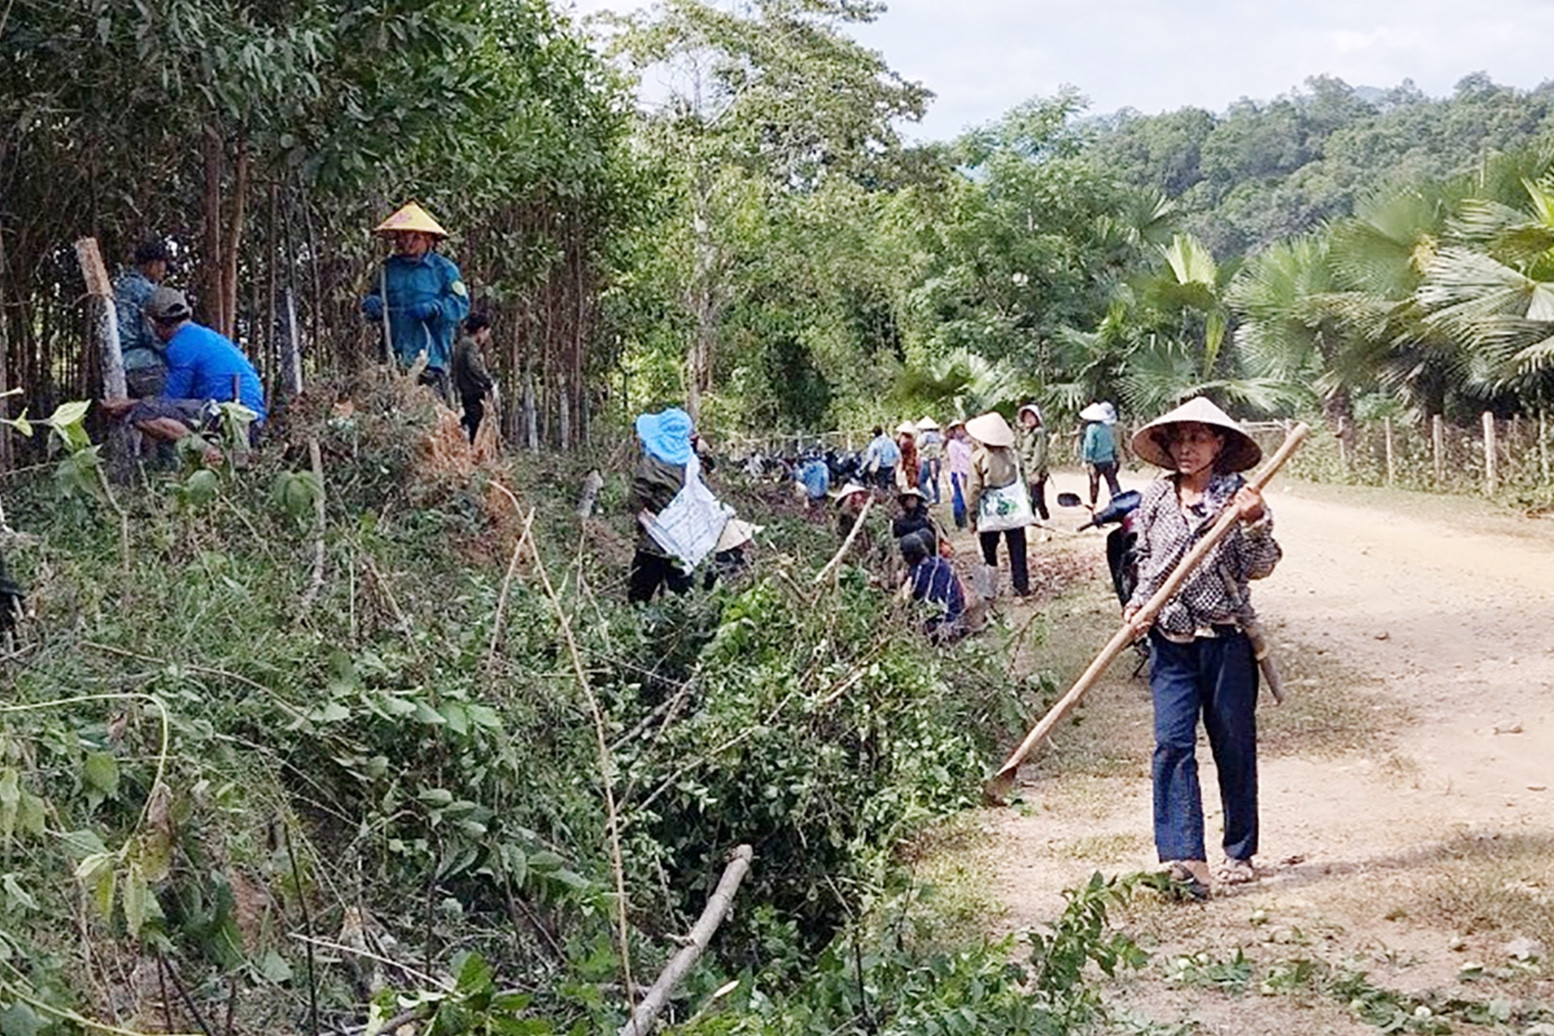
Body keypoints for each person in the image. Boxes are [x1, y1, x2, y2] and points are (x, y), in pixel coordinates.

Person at [1121, 397, 1281, 900]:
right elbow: (1147, 564)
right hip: (1170, 641)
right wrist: (1138, 605)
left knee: (1233, 744)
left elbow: (1262, 565)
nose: (1186, 447)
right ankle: (1183, 858)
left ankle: (1240, 852)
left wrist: (1254, 522)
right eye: (1178, 438)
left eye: (1198, 437)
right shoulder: (1154, 500)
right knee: (1171, 744)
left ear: (1220, 444)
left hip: (1225, 640)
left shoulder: (1241, 499)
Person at [101, 287, 266, 454]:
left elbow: (168, 402)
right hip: (250, 418)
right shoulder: (204, 336)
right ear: (189, 313)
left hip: (231, 416)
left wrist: (129, 404)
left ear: (151, 323)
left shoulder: (179, 346)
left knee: (144, 413)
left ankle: (211, 453)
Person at [361, 202, 471, 404]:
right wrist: (372, 304)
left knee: (431, 419)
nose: (406, 242)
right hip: (393, 359)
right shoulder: (388, 270)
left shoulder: (444, 270)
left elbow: (461, 305)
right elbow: (376, 303)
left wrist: (435, 308)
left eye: (414, 237)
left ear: (429, 240)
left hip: (430, 359)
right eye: (402, 236)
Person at [627, 407, 697, 603]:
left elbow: (636, 498)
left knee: (639, 594)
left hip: (654, 541)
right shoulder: (692, 465)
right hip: (684, 542)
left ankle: (639, 628)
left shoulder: (651, 464)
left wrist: (643, 513)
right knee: (683, 597)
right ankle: (681, 629)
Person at [965, 411, 1030, 598]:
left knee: (988, 552)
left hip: (989, 511)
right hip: (1014, 510)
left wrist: (971, 517)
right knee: (1017, 549)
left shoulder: (979, 458)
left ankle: (987, 590)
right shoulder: (1013, 456)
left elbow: (974, 490)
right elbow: (1023, 481)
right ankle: (1021, 587)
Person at [113, 238, 174, 397]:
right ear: (151, 264)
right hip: (139, 358)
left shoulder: (122, 285)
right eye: (161, 264)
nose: (164, 269)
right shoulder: (146, 292)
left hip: (119, 356)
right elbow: (152, 333)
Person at [899, 531, 965, 642]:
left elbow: (902, 601)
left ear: (909, 556)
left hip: (939, 627)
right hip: (958, 619)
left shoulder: (916, 575)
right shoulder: (942, 563)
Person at [452, 312, 495, 442]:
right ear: (481, 330)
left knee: (471, 418)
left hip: (465, 389)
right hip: (472, 390)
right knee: (475, 422)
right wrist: (488, 382)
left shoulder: (462, 343)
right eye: (487, 332)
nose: (487, 337)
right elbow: (474, 366)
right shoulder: (470, 345)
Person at [1080, 401, 1122, 506]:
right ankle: (1119, 501)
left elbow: (1089, 445)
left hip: (1095, 461)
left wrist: (1087, 459)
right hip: (1108, 460)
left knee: (1094, 483)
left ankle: (1093, 504)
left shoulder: (1091, 428)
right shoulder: (1107, 428)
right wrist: (1115, 457)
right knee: (1112, 483)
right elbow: (1112, 444)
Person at [1016, 403, 1051, 522]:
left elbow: (1039, 453)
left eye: (1031, 416)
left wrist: (1036, 472)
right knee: (1029, 499)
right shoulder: (1025, 434)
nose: (1028, 420)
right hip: (1025, 470)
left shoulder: (1039, 432)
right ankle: (1032, 525)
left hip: (1036, 471)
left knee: (1038, 499)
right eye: (1026, 417)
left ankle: (1045, 524)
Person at [945, 421, 972, 530]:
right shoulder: (953, 444)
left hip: (968, 472)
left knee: (969, 497)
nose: (961, 432)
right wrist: (958, 475)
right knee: (959, 498)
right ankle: (960, 522)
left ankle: (968, 519)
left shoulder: (966, 444)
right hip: (959, 473)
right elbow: (954, 461)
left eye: (962, 429)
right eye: (958, 429)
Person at [860, 426, 900, 491]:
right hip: (891, 467)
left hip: (881, 468)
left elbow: (869, 458)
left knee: (881, 487)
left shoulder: (875, 443)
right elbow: (897, 453)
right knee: (893, 484)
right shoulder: (890, 441)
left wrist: (862, 467)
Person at [916, 417, 944, 503]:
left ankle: (929, 496)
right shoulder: (939, 436)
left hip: (927, 460)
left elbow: (918, 445)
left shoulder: (925, 436)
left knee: (921, 481)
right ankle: (937, 498)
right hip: (937, 460)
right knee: (935, 480)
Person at [894, 421, 919, 494]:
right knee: (911, 478)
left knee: (911, 479)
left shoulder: (906, 441)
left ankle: (913, 493)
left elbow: (901, 448)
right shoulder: (911, 439)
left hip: (909, 462)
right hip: (911, 461)